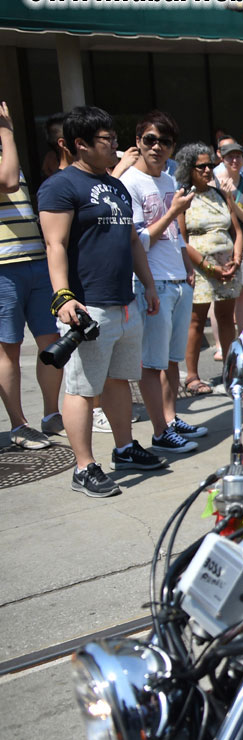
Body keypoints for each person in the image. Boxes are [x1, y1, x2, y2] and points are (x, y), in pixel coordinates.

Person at [38, 106, 166, 498]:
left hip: (124, 301)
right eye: (106, 140)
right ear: (80, 144)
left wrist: (148, 285)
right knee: (82, 388)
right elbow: (55, 245)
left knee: (118, 379)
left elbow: (132, 241)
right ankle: (83, 467)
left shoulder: (115, 186)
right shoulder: (61, 187)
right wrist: (63, 297)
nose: (115, 146)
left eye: (113, 138)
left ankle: (124, 449)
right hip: (87, 305)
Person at [118, 111, 205, 454]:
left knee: (171, 360)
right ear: (138, 142)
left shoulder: (168, 180)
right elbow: (138, 241)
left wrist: (186, 265)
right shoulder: (129, 183)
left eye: (164, 142)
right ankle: (159, 432)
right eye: (150, 140)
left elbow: (175, 234)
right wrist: (172, 212)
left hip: (177, 279)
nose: (157, 147)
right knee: (152, 364)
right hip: (152, 282)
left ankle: (170, 419)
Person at [1, 100, 62, 450]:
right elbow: (8, 182)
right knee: (7, 349)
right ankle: (18, 425)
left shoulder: (6, 154)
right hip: (3, 267)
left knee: (51, 342)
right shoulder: (8, 152)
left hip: (36, 261)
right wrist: (8, 132)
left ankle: (51, 414)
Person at [177, 141, 243, 396]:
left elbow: (237, 231)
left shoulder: (221, 194)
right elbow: (182, 240)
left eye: (210, 165)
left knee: (227, 318)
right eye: (201, 166)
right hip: (200, 267)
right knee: (196, 320)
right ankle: (192, 376)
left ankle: (230, 372)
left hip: (228, 265)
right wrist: (207, 266)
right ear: (189, 169)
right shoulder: (183, 198)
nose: (207, 170)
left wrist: (236, 259)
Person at [215, 140, 243, 339]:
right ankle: (220, 345)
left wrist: (231, 201)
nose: (234, 160)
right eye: (230, 157)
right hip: (222, 243)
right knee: (220, 294)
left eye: (238, 156)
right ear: (222, 159)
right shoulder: (214, 182)